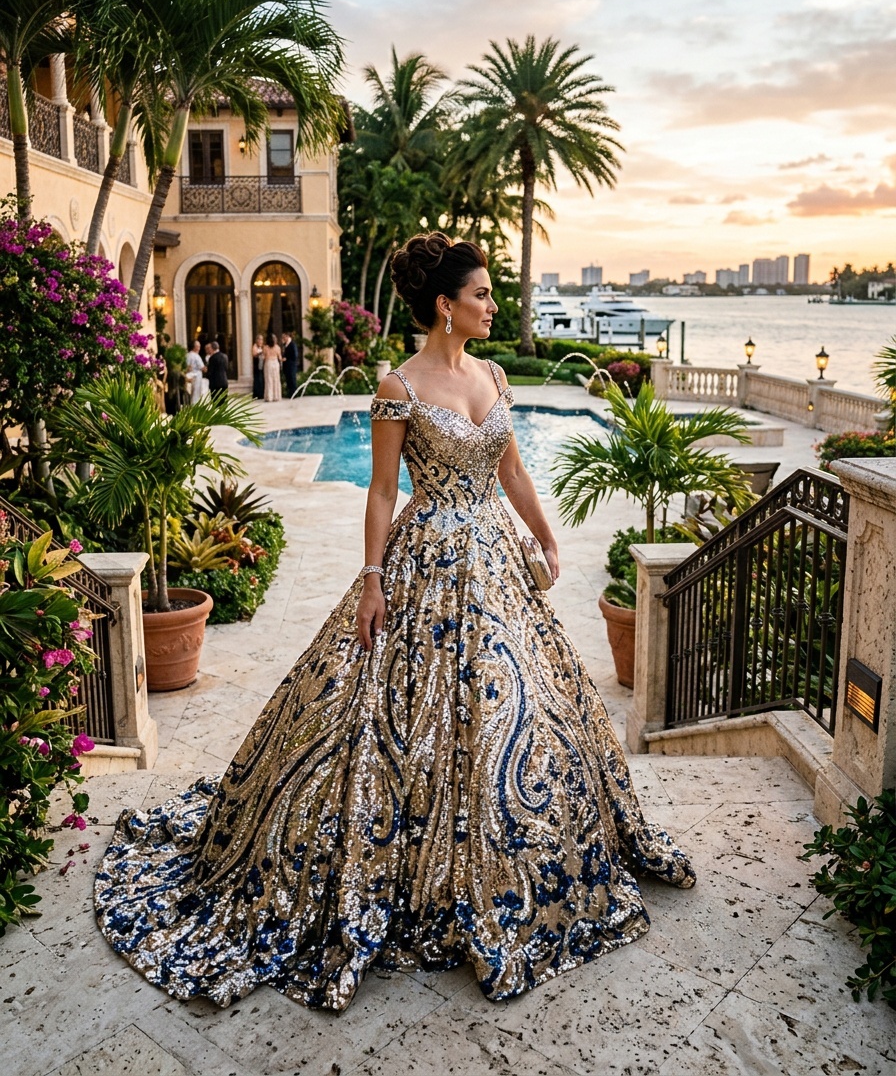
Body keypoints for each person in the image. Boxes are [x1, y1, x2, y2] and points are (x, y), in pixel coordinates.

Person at [94, 231, 695, 1012]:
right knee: (395, 718)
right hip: (424, 562)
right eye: (480, 294)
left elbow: (511, 468)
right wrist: (373, 580)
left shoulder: (496, 373)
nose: (490, 305)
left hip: (497, 562)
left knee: (515, 708)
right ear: (446, 306)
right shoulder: (396, 386)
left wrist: (545, 536)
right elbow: (381, 490)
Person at [262, 331, 282, 402]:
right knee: (276, 379)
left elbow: (263, 357)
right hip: (275, 363)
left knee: (269, 380)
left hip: (268, 363)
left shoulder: (265, 348)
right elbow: (280, 358)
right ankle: (276, 396)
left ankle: (269, 397)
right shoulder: (278, 348)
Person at [185, 340, 205, 405]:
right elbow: (202, 368)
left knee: (191, 393)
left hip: (189, 376)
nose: (199, 347)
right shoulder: (196, 356)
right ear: (195, 347)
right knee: (196, 394)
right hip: (196, 377)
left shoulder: (187, 355)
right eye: (198, 346)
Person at [281, 331, 299, 398]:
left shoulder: (292, 344)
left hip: (291, 365)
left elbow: (295, 355)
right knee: (288, 379)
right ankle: (290, 393)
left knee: (292, 379)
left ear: (287, 336)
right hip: (287, 366)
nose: (283, 338)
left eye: (284, 337)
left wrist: (287, 359)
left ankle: (294, 393)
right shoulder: (285, 345)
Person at [251, 334, 265, 400]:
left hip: (261, 364)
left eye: (262, 339)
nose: (261, 341)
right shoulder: (255, 346)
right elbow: (254, 354)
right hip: (257, 364)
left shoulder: (261, 347)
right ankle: (257, 394)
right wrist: (260, 353)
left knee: (261, 379)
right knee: (257, 379)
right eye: (259, 339)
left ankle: (261, 393)